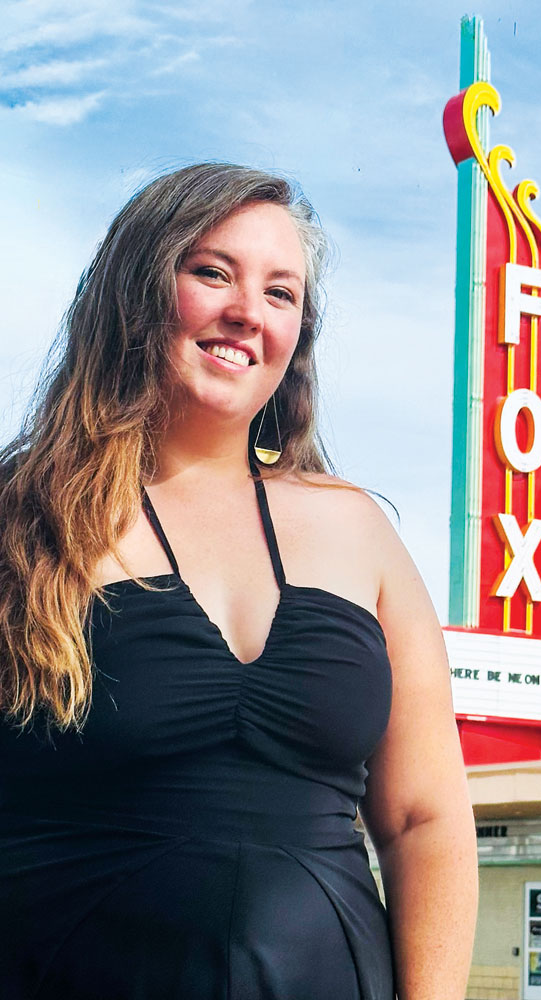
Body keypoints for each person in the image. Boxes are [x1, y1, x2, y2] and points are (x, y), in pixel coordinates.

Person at [0, 163, 477, 999]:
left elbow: (423, 820)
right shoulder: (23, 521)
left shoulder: (356, 529)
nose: (246, 312)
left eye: (281, 292)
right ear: (137, 287)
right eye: (211, 271)